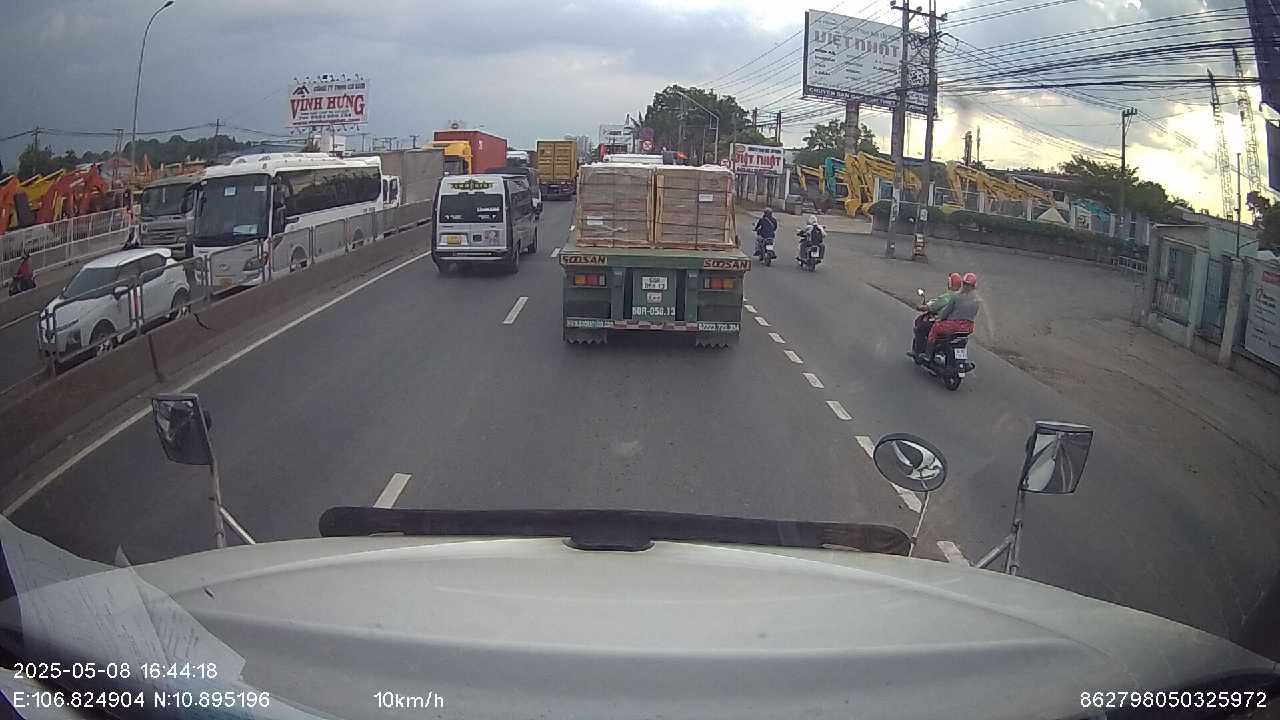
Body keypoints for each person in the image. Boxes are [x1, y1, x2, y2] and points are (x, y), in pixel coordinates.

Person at [922, 272, 980, 358]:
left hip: (953, 326)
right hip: (968, 328)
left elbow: (946, 312)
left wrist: (939, 319)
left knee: (935, 328)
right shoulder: (977, 300)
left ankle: (928, 355)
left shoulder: (956, 297)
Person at [911, 272, 962, 357]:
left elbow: (933, 306)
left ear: (950, 283)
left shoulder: (948, 296)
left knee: (921, 327)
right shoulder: (962, 297)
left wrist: (922, 307)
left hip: (944, 323)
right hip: (957, 325)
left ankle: (919, 351)